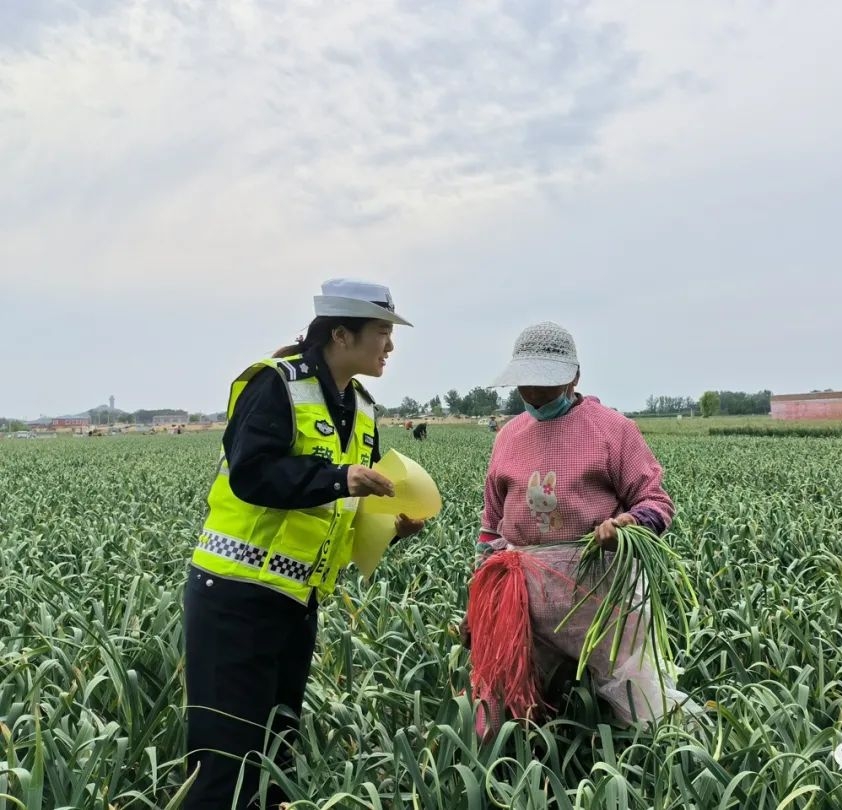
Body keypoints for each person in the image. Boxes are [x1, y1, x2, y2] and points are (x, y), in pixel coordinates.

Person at [183, 279, 425, 809]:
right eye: (382, 332)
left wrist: (391, 525)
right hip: (235, 594)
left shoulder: (361, 406)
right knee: (227, 759)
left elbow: (350, 500)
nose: (390, 345)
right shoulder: (276, 385)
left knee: (275, 752)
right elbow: (252, 474)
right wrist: (340, 479)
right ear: (341, 334)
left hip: (295, 599)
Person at [462, 321, 691, 736]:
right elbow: (490, 524)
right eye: (525, 383)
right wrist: (479, 597)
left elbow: (656, 503)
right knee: (503, 701)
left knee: (640, 703)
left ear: (574, 376)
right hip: (521, 597)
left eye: (545, 383)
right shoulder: (509, 436)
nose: (533, 394)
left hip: (599, 596)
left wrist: (628, 524)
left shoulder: (613, 430)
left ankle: (666, 769)